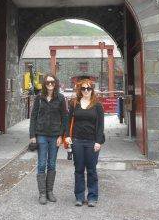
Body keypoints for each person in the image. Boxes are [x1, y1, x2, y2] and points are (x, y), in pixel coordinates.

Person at [65, 79, 105, 207]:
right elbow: (68, 121)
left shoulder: (97, 105)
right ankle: (79, 197)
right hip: (77, 141)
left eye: (88, 88)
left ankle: (92, 197)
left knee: (92, 170)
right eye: (83, 89)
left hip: (92, 141)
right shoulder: (74, 104)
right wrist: (67, 136)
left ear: (92, 90)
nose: (86, 91)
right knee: (79, 169)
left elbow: (101, 126)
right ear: (80, 90)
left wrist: (98, 141)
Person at [29, 73, 67, 205]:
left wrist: (61, 136)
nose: (50, 85)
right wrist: (32, 135)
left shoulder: (61, 99)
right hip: (41, 135)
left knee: (51, 164)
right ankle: (42, 193)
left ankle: (50, 191)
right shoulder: (39, 98)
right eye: (47, 83)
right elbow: (33, 117)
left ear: (55, 83)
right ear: (44, 84)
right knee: (41, 164)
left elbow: (65, 118)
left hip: (55, 135)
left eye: (52, 82)